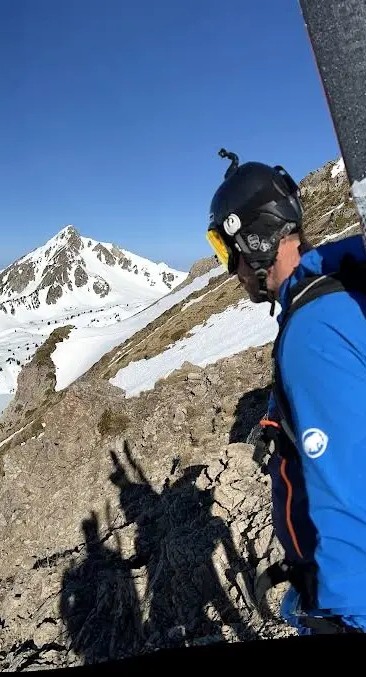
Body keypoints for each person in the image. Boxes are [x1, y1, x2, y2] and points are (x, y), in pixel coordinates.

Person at [206, 149, 366, 634]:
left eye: (225, 248)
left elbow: (347, 491)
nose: (229, 266)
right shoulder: (336, 284)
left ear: (252, 238)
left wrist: (347, 617)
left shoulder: (313, 334)